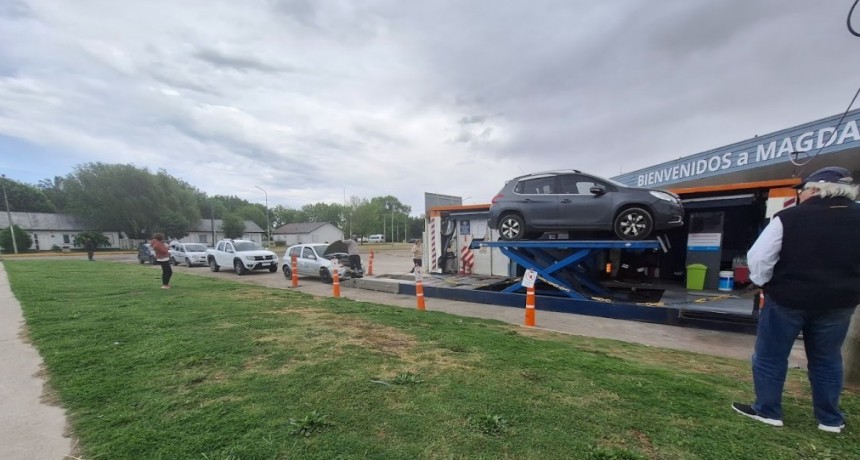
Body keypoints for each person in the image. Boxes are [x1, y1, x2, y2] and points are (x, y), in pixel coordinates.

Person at [732, 166, 860, 433]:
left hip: (787, 299)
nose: (801, 195)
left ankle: (767, 411)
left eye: (802, 190)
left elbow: (759, 258)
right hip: (839, 303)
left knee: (771, 356)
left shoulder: (788, 218)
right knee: (827, 359)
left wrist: (764, 282)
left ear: (815, 189)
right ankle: (830, 419)